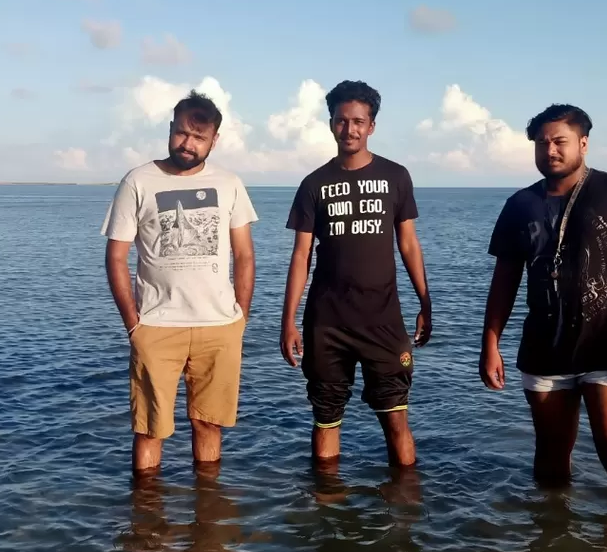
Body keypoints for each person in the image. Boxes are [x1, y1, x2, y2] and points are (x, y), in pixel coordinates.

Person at [479, 103, 607, 510]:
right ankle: (551, 544)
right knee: (549, 456)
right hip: (545, 349)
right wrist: (490, 341)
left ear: (583, 143)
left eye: (560, 141)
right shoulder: (520, 205)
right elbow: (505, 280)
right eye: (542, 143)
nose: (550, 151)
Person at [102, 91, 258, 474]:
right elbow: (116, 256)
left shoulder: (229, 183)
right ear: (170, 128)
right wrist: (133, 325)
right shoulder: (138, 181)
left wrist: (240, 319)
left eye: (199, 137)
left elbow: (245, 256)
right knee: (149, 431)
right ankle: (148, 526)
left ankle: (209, 523)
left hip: (219, 327)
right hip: (156, 327)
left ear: (214, 140)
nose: (188, 144)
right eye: (182, 133)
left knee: (208, 424)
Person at [280, 80, 432, 468]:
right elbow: (301, 256)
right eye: (341, 121)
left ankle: (405, 513)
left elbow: (409, 244)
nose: (350, 130)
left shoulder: (396, 176)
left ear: (372, 126)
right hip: (326, 324)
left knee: (396, 419)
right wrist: (288, 321)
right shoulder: (314, 184)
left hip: (382, 321)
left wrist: (425, 302)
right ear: (331, 123)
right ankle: (327, 508)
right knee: (326, 419)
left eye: (358, 122)